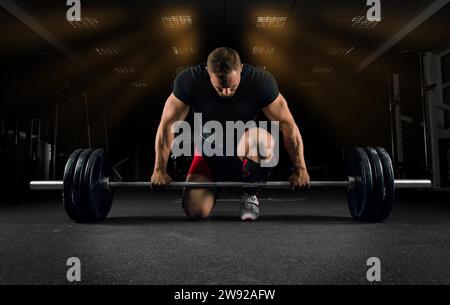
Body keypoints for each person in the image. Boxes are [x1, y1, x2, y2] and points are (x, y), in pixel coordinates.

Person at [151, 47, 310, 221]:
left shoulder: (260, 81)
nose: (226, 92)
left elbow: (289, 127)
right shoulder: (189, 80)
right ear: (208, 72)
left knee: (264, 141)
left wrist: (300, 169)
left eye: (232, 87)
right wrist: (159, 169)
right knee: (195, 211)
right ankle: (212, 189)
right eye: (220, 88)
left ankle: (249, 194)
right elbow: (167, 126)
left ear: (241, 68)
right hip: (208, 155)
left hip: (244, 149)